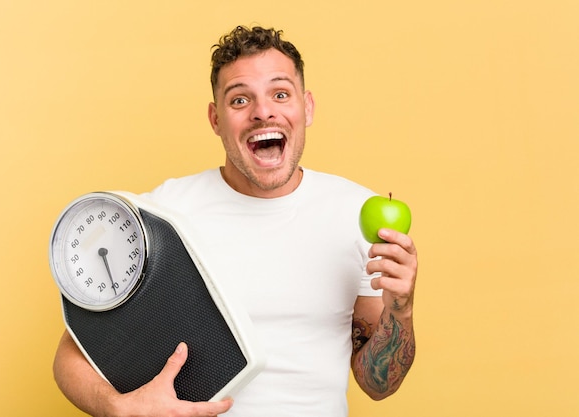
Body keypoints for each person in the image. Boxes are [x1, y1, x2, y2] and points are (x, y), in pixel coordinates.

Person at [53, 25, 418, 417]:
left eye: (280, 93)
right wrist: (117, 408)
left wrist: (401, 310)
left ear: (307, 107)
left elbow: (377, 384)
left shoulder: (355, 211)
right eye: (240, 100)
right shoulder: (163, 216)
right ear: (215, 119)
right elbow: (70, 356)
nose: (263, 112)